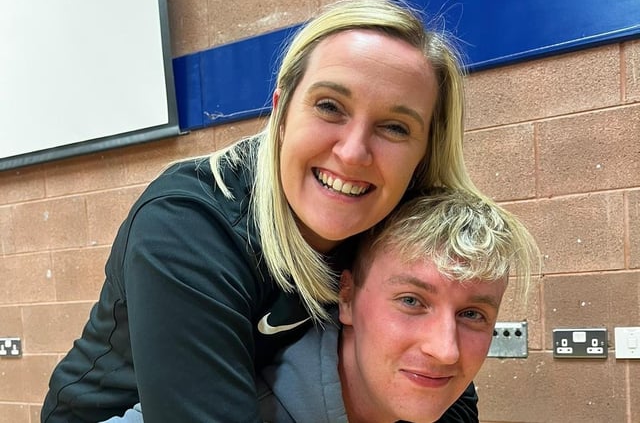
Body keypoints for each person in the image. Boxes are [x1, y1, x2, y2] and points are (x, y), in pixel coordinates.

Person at [41, 0, 485, 422]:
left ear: (424, 152)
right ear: (281, 113)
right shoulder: (187, 225)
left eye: (394, 127)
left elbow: (448, 394)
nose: (353, 153)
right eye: (330, 107)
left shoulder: (396, 221)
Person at [104, 188, 539, 422]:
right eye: (411, 301)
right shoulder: (215, 402)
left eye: (472, 314)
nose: (446, 350)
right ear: (345, 297)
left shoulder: (437, 410)